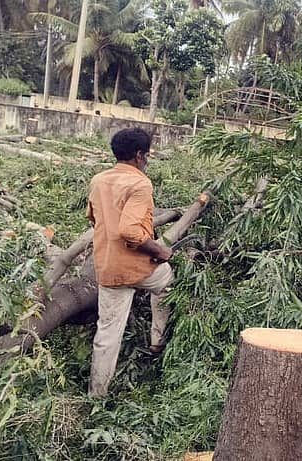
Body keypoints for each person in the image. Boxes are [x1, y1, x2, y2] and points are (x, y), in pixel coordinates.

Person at [86, 127, 174, 397]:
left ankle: (96, 394)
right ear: (138, 155)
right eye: (146, 155)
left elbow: (92, 218)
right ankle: (157, 340)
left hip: (109, 268)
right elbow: (129, 231)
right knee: (168, 283)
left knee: (107, 334)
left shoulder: (98, 180)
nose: (146, 160)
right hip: (137, 267)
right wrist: (158, 249)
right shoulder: (140, 183)